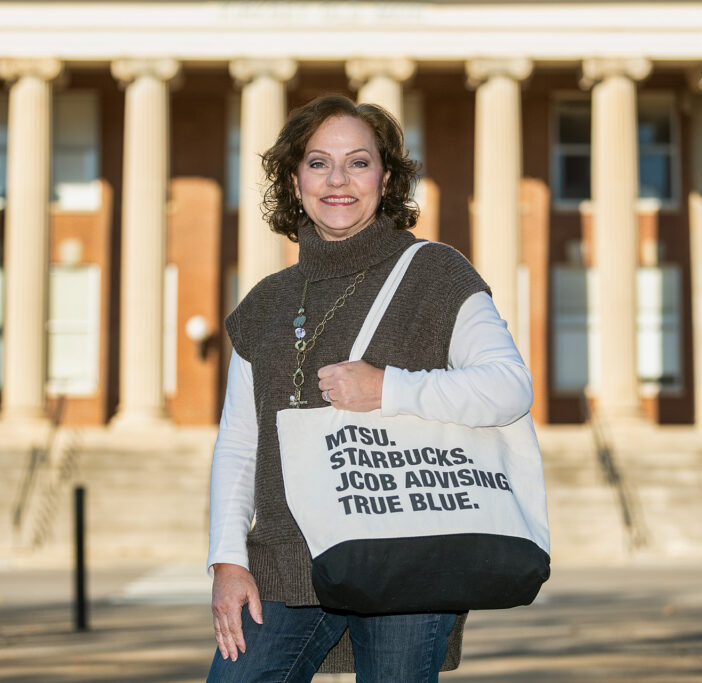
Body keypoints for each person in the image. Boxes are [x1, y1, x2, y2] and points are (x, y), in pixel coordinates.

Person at [206, 94, 534, 682]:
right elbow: (239, 443)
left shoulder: (436, 273)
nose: (338, 180)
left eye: (358, 163)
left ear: (386, 178)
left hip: (404, 546)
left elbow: (510, 387)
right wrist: (227, 559)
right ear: (293, 178)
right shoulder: (266, 303)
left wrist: (391, 388)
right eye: (318, 162)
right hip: (286, 561)